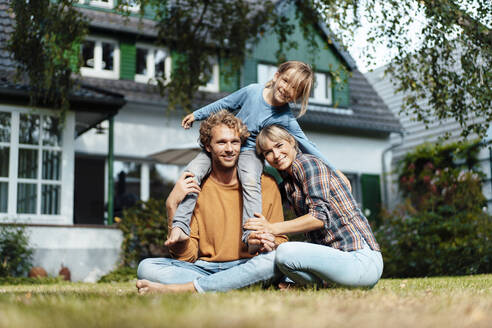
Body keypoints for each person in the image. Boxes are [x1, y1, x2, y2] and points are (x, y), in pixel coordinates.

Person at [167, 60, 337, 247]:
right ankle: (180, 226)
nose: (287, 89)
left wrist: (335, 172)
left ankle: (251, 234)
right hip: (230, 141)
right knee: (192, 173)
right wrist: (197, 114)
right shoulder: (252, 91)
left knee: (250, 182)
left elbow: (307, 144)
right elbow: (225, 104)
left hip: (249, 151)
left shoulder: (285, 117)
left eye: (295, 89)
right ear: (277, 76)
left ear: (298, 96)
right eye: (286, 81)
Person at [136, 111, 287, 294]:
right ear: (208, 146)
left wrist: (269, 243)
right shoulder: (194, 188)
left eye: (235, 142)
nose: (230, 149)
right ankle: (231, 284)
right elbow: (186, 257)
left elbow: (280, 241)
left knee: (273, 261)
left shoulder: (266, 184)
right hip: (205, 268)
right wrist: (171, 206)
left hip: (248, 264)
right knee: (146, 267)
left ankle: (187, 289)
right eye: (222, 142)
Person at [245, 125, 383, 288]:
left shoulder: (306, 163)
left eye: (279, 145)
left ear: (291, 141)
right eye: (268, 152)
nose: (276, 155)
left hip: (360, 260)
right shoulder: (289, 183)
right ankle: (306, 286)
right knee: (274, 258)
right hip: (338, 265)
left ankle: (299, 284)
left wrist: (272, 228)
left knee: (285, 252)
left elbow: (319, 218)